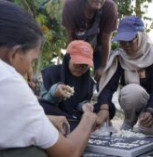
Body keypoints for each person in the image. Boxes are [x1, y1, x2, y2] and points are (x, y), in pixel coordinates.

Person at [0, 1, 97, 157]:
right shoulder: (10, 81)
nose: (29, 70)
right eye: (32, 61)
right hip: (66, 126)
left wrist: (47, 120)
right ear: (15, 54)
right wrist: (88, 120)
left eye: (84, 66)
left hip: (67, 119)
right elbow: (69, 153)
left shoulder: (89, 82)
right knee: (36, 152)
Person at [97, 16, 153, 135]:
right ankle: (129, 121)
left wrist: (150, 111)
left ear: (140, 36)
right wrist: (104, 108)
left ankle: (144, 119)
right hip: (132, 99)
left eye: (130, 41)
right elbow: (109, 87)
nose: (126, 46)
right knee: (132, 91)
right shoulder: (119, 57)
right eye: (122, 42)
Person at [39, 40, 112, 130]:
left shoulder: (88, 81)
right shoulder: (51, 74)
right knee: (41, 106)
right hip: (55, 112)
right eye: (77, 64)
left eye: (84, 66)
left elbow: (80, 103)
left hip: (74, 115)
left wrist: (84, 106)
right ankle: (78, 126)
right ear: (68, 59)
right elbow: (44, 100)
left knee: (108, 107)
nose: (80, 69)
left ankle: (76, 124)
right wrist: (54, 92)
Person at [62, 0, 117, 81]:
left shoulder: (109, 7)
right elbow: (70, 37)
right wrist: (71, 60)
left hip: (99, 46)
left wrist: (103, 66)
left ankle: (101, 89)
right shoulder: (70, 5)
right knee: (72, 72)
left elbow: (105, 40)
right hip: (77, 46)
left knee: (103, 75)